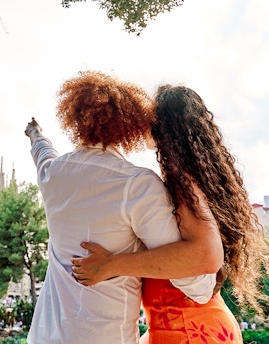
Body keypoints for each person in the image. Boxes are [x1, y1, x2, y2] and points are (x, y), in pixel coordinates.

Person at [24, 71, 216, 344]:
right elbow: (192, 278)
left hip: (43, 336)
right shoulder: (137, 185)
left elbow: (42, 152)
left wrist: (35, 133)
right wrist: (205, 286)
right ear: (130, 125)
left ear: (76, 118)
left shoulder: (53, 174)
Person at [71, 84, 269, 343]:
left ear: (162, 127)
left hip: (193, 332)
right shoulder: (193, 182)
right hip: (194, 329)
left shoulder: (183, 184)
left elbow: (204, 256)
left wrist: (110, 265)